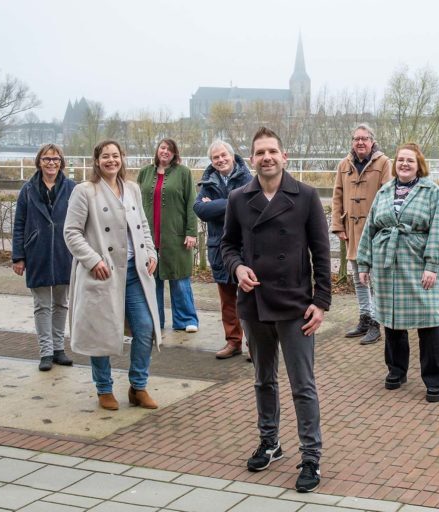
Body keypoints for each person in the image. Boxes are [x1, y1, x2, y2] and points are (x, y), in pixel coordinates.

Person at [221, 127, 331, 493]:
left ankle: (311, 456)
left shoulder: (306, 196)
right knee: (263, 379)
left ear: (284, 156)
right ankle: (270, 442)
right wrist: (237, 268)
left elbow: (321, 252)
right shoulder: (239, 197)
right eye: (260, 152)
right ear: (251, 159)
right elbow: (228, 245)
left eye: (272, 151)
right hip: (253, 304)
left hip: (296, 305)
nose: (266, 157)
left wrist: (321, 302)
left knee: (303, 385)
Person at [64, 140, 162, 411]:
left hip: (134, 272)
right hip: (102, 273)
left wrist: (151, 254)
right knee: (101, 332)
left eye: (115, 155)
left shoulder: (132, 188)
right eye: (105, 156)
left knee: (145, 328)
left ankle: (138, 386)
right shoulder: (85, 191)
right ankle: (104, 388)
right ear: (96, 161)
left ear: (122, 158)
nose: (111, 160)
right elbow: (71, 232)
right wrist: (93, 259)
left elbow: (142, 224)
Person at [356, 143, 439, 403]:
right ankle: (396, 370)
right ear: (395, 164)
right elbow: (370, 229)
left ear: (419, 164)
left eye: (410, 160)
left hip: (418, 264)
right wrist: (364, 263)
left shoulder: (432, 192)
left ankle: (434, 378)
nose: (404, 164)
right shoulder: (385, 191)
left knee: (428, 322)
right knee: (393, 320)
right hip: (388, 266)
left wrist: (432, 265)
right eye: (400, 160)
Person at [12, 143, 75, 371]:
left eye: (55, 159)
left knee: (61, 303)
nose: (51, 163)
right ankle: (46, 352)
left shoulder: (71, 188)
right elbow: (19, 223)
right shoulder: (28, 189)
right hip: (37, 251)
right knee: (42, 305)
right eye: (47, 159)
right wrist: (18, 256)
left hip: (63, 251)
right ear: (39, 161)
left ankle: (59, 348)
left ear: (61, 162)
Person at [330, 123, 392, 345]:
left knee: (374, 279)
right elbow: (337, 195)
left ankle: (376, 322)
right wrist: (338, 225)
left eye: (364, 138)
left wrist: (382, 227)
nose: (360, 142)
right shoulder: (344, 164)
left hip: (374, 231)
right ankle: (364, 318)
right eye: (356, 138)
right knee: (358, 278)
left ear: (372, 141)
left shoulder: (384, 163)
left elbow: (388, 195)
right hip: (352, 229)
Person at [194, 140, 253, 359]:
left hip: (244, 248)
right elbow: (200, 209)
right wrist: (231, 203)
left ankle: (254, 344)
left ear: (231, 155)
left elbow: (249, 206)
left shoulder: (248, 178)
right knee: (227, 300)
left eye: (223, 155)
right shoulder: (208, 182)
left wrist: (216, 204)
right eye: (215, 157)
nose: (220, 160)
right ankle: (233, 342)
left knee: (249, 300)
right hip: (219, 247)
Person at [137, 139, 199, 332]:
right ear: (157, 150)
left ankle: (186, 320)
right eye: (162, 148)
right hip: (149, 236)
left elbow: (192, 203)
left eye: (169, 150)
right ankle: (155, 320)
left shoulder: (184, 173)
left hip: (175, 235)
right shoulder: (145, 173)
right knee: (152, 279)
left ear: (175, 154)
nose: (165, 152)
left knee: (179, 278)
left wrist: (191, 232)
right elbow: (136, 203)